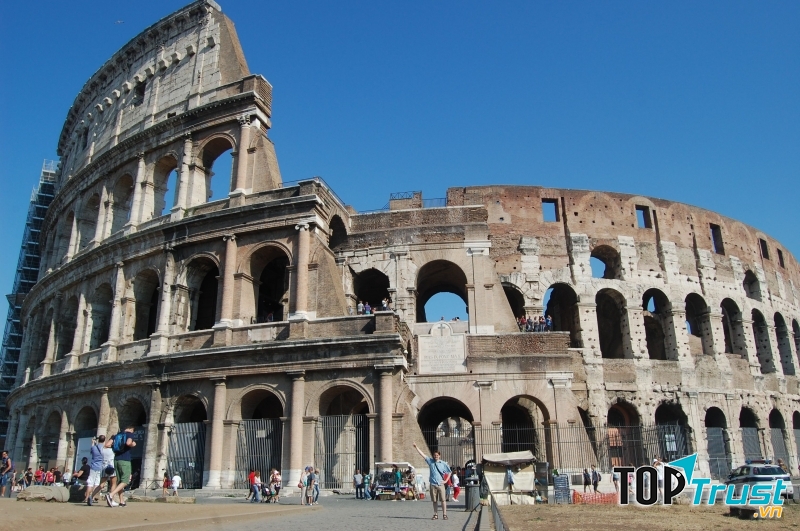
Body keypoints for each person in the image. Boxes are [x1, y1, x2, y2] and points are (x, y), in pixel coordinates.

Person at [413, 442, 451, 521]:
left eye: (437, 455)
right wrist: (416, 447)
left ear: (439, 456)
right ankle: (435, 514)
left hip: (440, 484)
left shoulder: (443, 463)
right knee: (434, 501)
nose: (436, 456)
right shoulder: (430, 461)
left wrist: (446, 481)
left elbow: (449, 472)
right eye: (434, 455)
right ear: (433, 456)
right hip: (433, 484)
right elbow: (422, 454)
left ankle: (444, 514)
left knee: (443, 500)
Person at [106, 425, 137, 507]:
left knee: (120, 481)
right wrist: (132, 444)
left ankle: (122, 501)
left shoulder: (117, 435)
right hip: (125, 460)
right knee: (125, 481)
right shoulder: (130, 434)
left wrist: (117, 446)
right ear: (131, 429)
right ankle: (111, 495)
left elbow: (107, 445)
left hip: (116, 459)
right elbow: (128, 443)